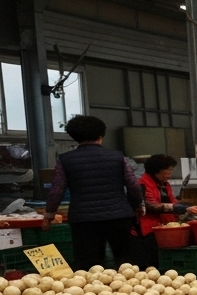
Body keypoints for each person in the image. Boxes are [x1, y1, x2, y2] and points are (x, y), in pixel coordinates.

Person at [43, 116, 145, 270]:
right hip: (118, 216)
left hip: (84, 220)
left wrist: (49, 215)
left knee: (88, 265)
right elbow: (133, 185)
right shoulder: (118, 157)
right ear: (100, 136)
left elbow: (56, 190)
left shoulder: (65, 160)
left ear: (75, 137)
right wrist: (138, 205)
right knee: (126, 262)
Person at [133, 154, 197, 268]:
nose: (170, 174)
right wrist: (182, 208)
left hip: (164, 230)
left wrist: (189, 210)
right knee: (151, 264)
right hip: (147, 232)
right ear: (157, 171)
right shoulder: (142, 184)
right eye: (168, 170)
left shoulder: (164, 185)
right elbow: (151, 206)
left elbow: (173, 202)